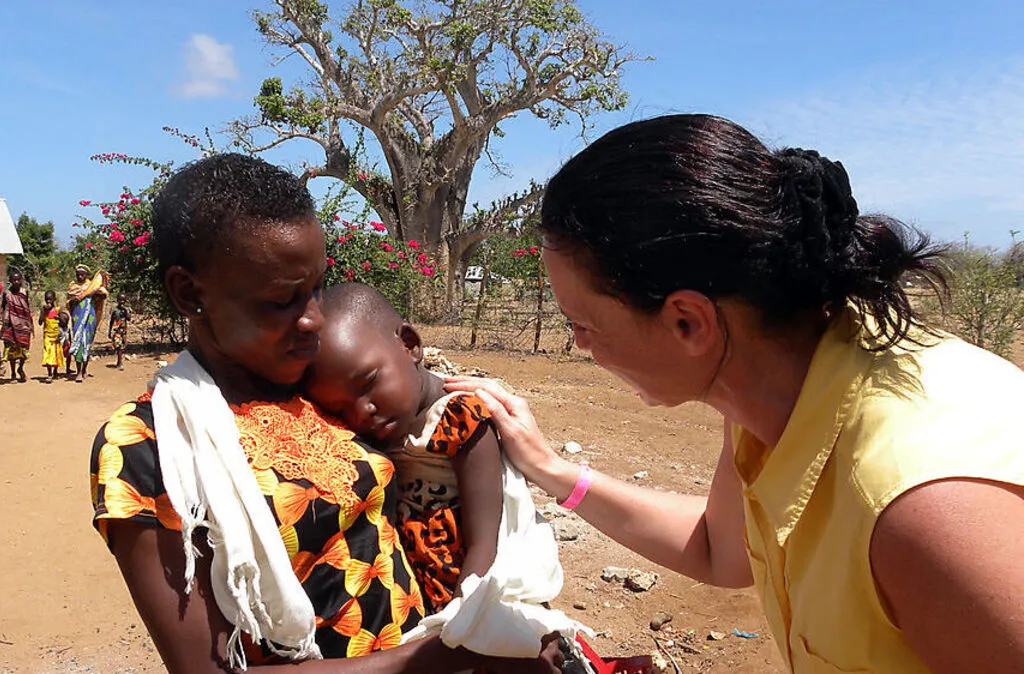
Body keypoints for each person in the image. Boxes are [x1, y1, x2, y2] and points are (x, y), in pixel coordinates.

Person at [447, 114, 1024, 673]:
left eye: (586, 324)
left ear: (688, 323)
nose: (577, 344)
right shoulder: (778, 385)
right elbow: (719, 549)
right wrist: (550, 468)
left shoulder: (921, 510)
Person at [89, 153, 564, 674]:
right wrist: (444, 654)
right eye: (282, 301)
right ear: (189, 294)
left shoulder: (318, 384)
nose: (314, 319)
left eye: (316, 287)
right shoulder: (149, 445)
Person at [302, 283, 505, 614]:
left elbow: (486, 541)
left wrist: (462, 624)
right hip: (416, 596)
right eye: (340, 409)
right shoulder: (382, 434)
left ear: (409, 345)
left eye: (367, 382)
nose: (360, 412)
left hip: (470, 598)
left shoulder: (460, 420)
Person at [67, 264, 109, 383]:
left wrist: (95, 293)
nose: (80, 276)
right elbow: (68, 301)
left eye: (82, 274)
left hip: (89, 317)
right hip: (77, 316)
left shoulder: (91, 286)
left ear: (86, 275)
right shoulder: (72, 286)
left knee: (86, 342)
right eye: (78, 274)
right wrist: (73, 301)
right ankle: (78, 370)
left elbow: (103, 295)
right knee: (77, 342)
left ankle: (83, 370)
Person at [0, 270, 33, 383]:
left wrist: (31, 324)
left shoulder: (24, 292)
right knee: (11, 348)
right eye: (14, 280)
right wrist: (3, 321)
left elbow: (27, 308)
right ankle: (13, 373)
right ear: (10, 281)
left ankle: (20, 368)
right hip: (10, 324)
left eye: (18, 280)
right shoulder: (7, 294)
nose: (16, 282)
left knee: (24, 348)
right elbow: (3, 307)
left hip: (23, 323)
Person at [39, 290, 66, 382]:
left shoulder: (58, 310)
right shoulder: (44, 310)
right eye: (46, 299)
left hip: (56, 336)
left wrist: (59, 318)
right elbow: (40, 322)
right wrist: (44, 312)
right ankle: (49, 374)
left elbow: (64, 322)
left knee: (56, 354)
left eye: (50, 299)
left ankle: (55, 371)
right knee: (48, 354)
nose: (48, 301)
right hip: (47, 335)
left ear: (54, 299)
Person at [108, 296, 131, 371]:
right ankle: (120, 363)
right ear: (117, 300)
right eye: (120, 300)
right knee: (118, 346)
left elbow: (129, 318)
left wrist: (125, 311)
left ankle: (119, 361)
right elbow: (111, 320)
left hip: (123, 330)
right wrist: (109, 331)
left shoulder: (126, 309)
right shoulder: (114, 309)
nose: (122, 302)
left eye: (123, 300)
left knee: (122, 347)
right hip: (116, 330)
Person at [59, 311, 74, 377]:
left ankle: (68, 368)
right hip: (59, 345)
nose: (64, 322)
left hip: (66, 344)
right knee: (57, 357)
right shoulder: (58, 328)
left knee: (68, 356)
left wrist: (70, 343)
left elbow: (69, 336)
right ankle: (55, 371)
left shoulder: (67, 328)